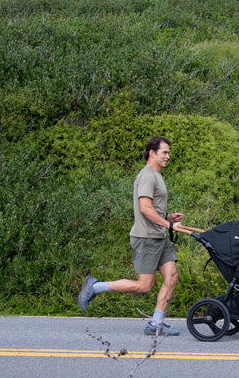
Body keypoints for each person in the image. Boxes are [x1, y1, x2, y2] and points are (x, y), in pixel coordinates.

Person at [78, 136, 194, 336]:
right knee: (144, 286)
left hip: (159, 236)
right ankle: (95, 287)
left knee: (172, 276)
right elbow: (145, 208)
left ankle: (155, 324)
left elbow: (153, 210)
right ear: (152, 153)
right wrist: (169, 225)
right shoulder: (147, 175)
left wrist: (167, 216)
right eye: (164, 152)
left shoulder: (157, 175)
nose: (168, 156)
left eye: (168, 152)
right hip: (146, 238)